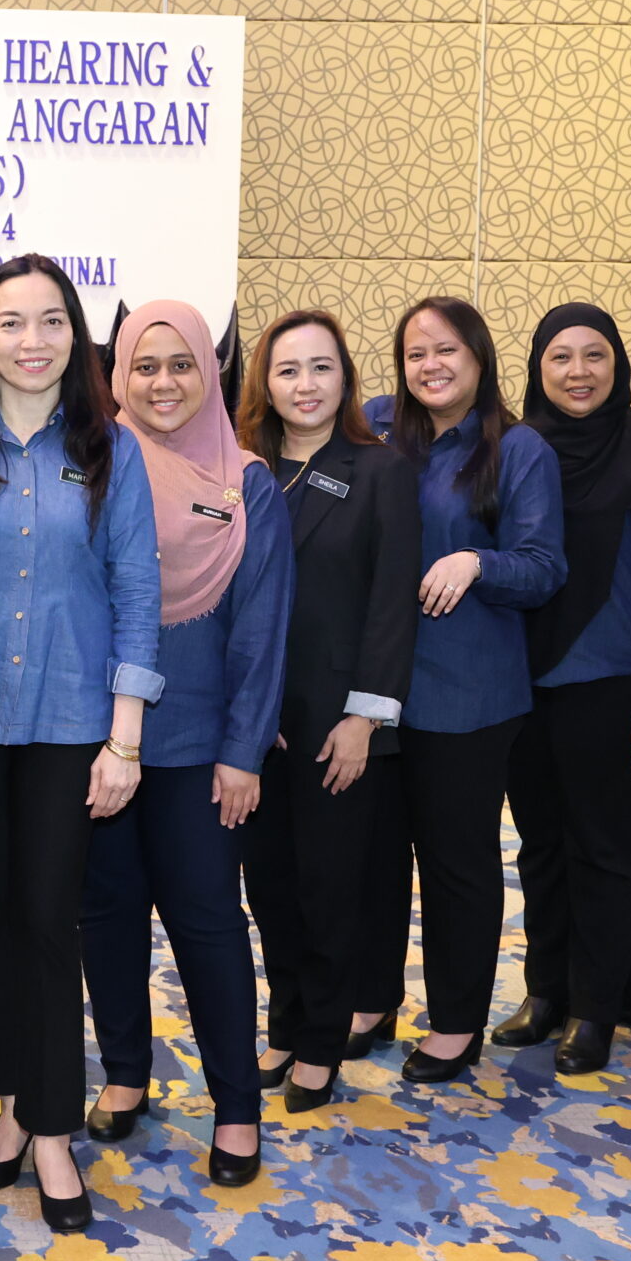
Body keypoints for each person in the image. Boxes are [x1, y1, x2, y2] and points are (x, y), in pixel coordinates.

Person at [0, 254, 161, 1235]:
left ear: (76, 334)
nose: (32, 340)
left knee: (48, 921)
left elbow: (136, 589)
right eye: (11, 321)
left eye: (51, 320)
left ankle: (51, 1130)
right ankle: (17, 1105)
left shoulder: (112, 449)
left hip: (71, 724)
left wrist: (125, 737)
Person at [81, 302, 289, 1183]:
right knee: (106, 914)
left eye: (181, 365)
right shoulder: (91, 465)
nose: (162, 383)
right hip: (97, 741)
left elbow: (262, 632)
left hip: (203, 750)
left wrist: (244, 751)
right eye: (144, 366)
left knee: (207, 922)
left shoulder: (249, 485)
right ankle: (126, 1072)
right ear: (118, 376)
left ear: (210, 371)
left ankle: (235, 1105)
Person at [358, 297, 566, 1083]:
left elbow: (544, 566)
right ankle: (371, 998)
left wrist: (477, 561)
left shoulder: (518, 449)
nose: (431, 365)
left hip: (468, 690)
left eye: (447, 349)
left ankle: (455, 1020)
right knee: (373, 856)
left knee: (455, 864)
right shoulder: (379, 431)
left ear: (479, 357)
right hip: (373, 687)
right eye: (416, 353)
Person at [496, 305, 631, 1075]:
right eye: (561, 357)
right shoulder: (514, 448)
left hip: (609, 678)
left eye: (595, 355)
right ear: (537, 368)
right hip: (520, 677)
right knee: (539, 844)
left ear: (619, 365)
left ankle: (595, 1007)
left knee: (603, 849)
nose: (578, 372)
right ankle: (545, 991)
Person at [237, 310, 419, 1112]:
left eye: (321, 367)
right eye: (287, 369)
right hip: (255, 720)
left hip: (338, 722)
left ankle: (321, 1041)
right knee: (270, 886)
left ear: (345, 378)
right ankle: (285, 1023)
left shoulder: (380, 470)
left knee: (329, 887)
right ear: (265, 383)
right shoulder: (243, 470)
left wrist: (364, 717)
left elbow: (391, 602)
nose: (304, 384)